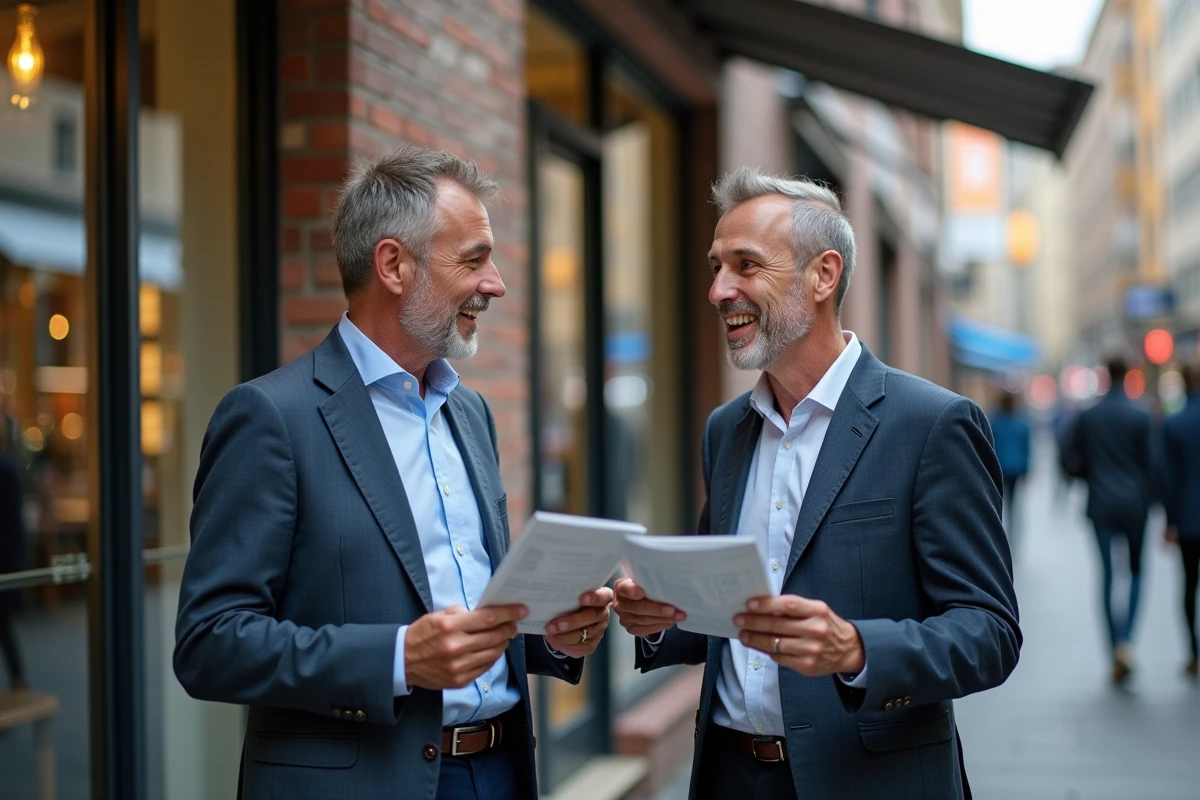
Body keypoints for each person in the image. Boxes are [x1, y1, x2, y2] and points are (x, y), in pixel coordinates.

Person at [174, 146, 613, 800]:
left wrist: (545, 635)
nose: (494, 284)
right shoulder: (272, 418)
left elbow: (468, 616)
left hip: (500, 773)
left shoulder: (470, 413)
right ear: (394, 264)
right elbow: (210, 644)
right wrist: (398, 659)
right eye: (473, 259)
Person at [612, 167, 1020, 800]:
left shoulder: (932, 424)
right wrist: (660, 617)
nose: (720, 290)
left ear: (823, 275)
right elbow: (724, 610)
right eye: (716, 267)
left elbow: (989, 633)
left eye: (746, 265)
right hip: (729, 777)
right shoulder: (727, 431)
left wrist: (857, 648)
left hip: (868, 781)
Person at [1065, 356, 1155, 684]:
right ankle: (1125, 641)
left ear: (1105, 376)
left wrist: (1087, 473)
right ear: (1127, 375)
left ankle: (1112, 647)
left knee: (1105, 575)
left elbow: (1069, 458)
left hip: (1101, 503)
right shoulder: (1141, 415)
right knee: (1135, 571)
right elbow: (1153, 465)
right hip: (1134, 505)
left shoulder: (1088, 417)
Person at [1161, 363, 1200, 679]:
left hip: (1188, 519)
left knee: (1189, 585)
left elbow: (1168, 479)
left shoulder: (1174, 424)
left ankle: (1193, 652)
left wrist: (1169, 521)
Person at [0, 421, 26, 693]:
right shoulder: (9, 468)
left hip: (5, 563)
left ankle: (18, 681)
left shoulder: (7, 470)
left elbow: (10, 526)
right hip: (8, 560)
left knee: (5, 629)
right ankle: (17, 680)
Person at [989, 390, 1031, 541]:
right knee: (1013, 503)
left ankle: (999, 532)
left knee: (997, 502)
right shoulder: (1021, 423)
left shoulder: (995, 422)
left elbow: (990, 445)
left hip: (999, 467)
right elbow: (1027, 448)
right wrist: (1026, 470)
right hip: (1016, 467)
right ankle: (1012, 534)